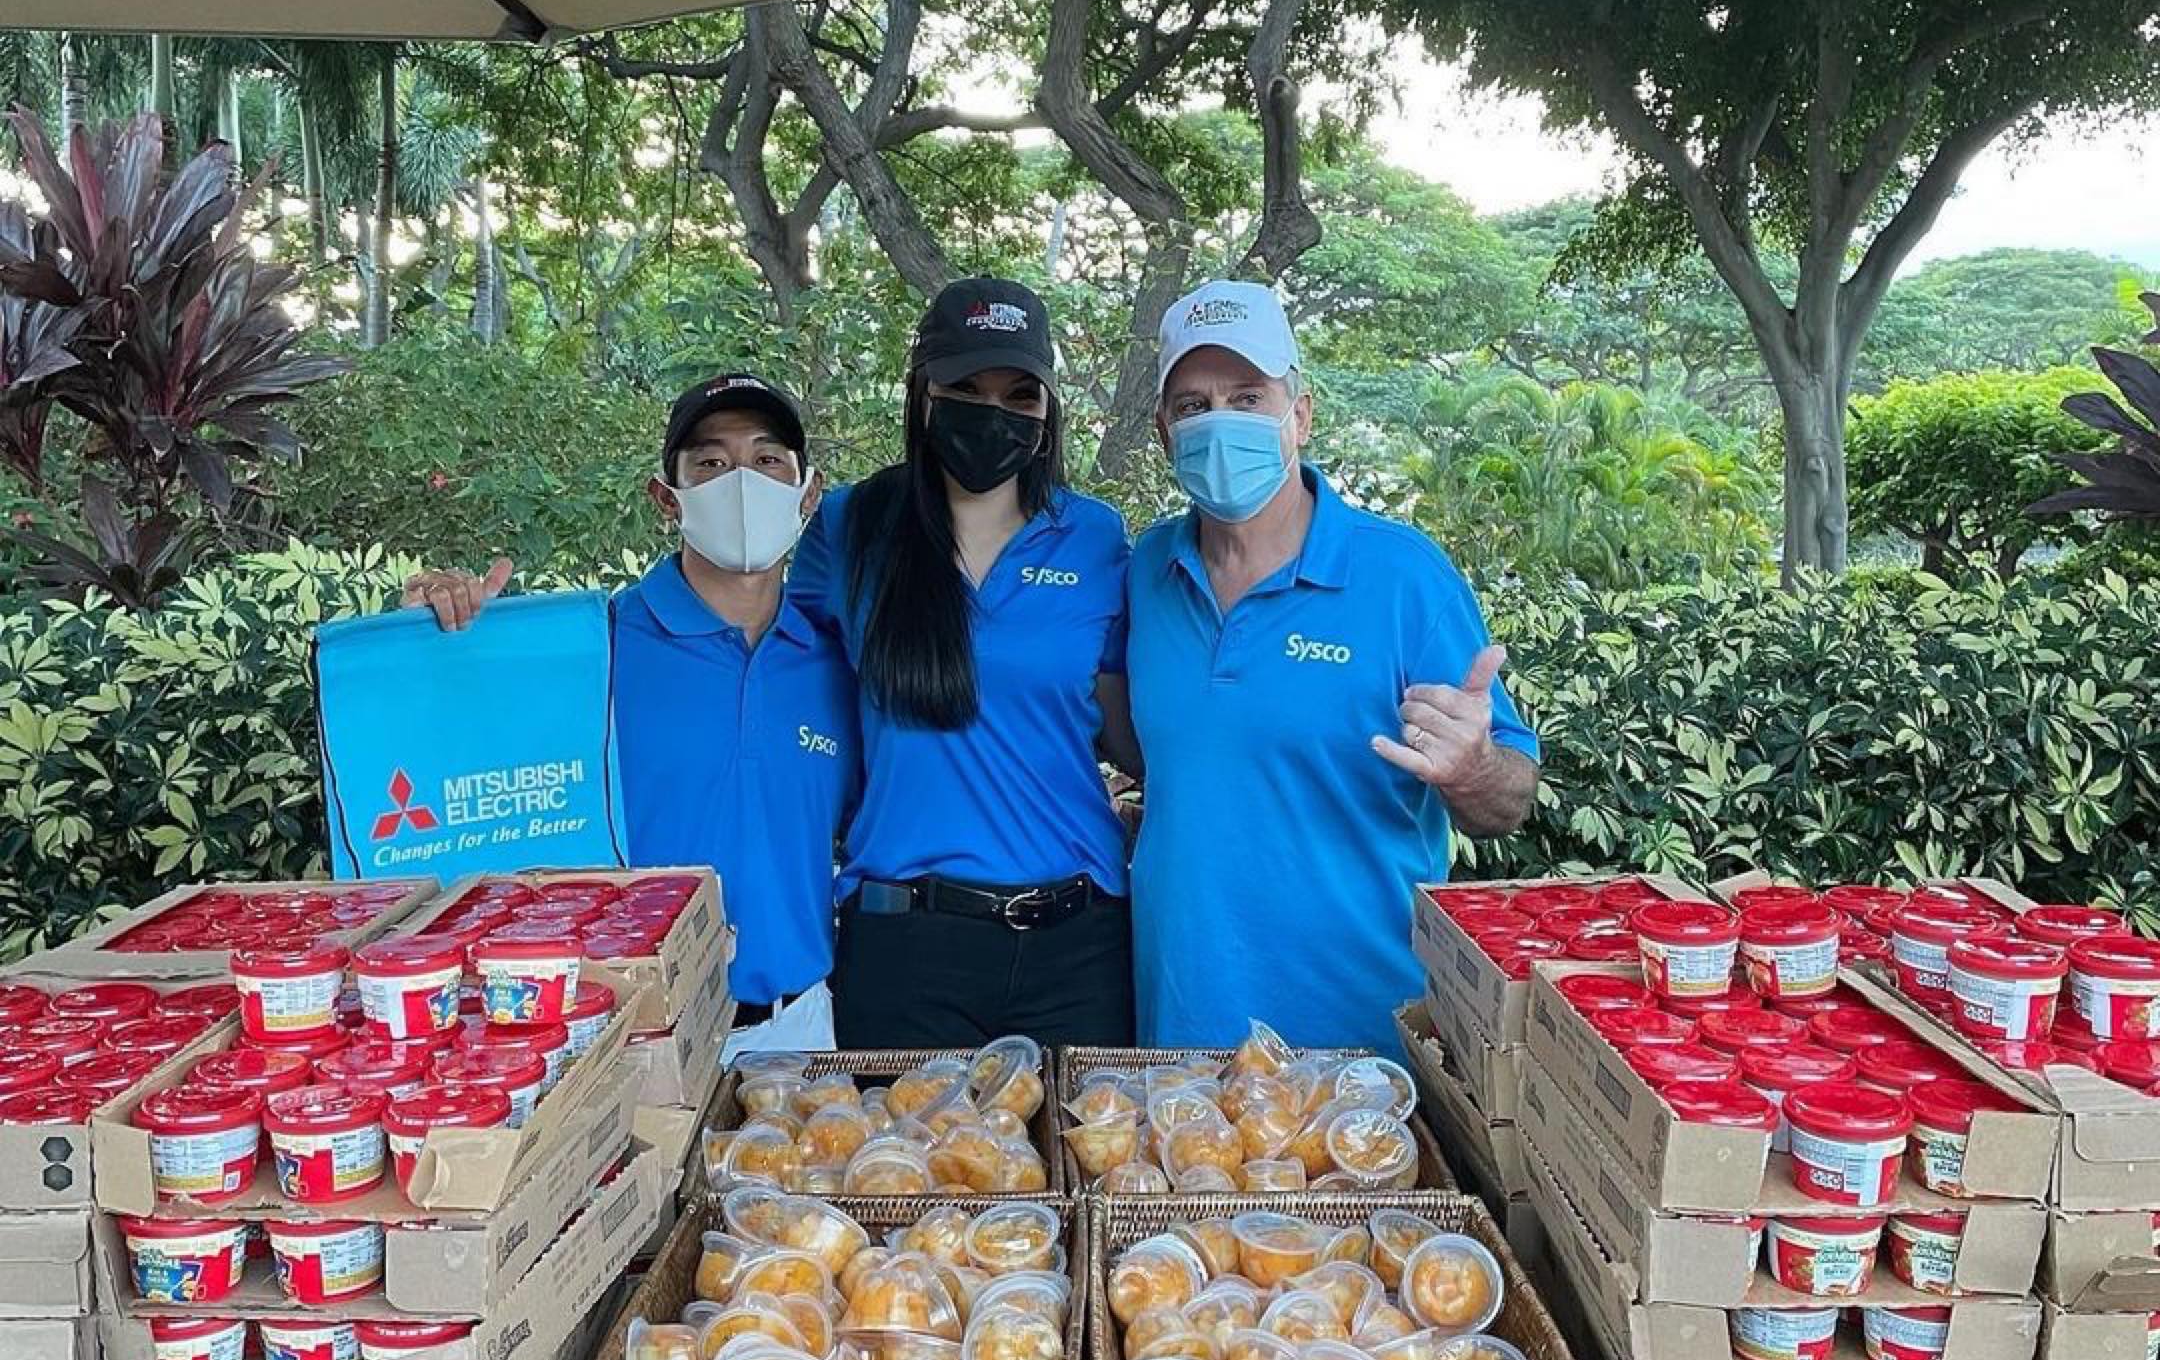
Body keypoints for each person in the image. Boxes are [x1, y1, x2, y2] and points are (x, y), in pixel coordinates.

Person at [1126, 280, 1541, 1054]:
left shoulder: (1404, 579)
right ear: (1163, 431)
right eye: (1193, 405)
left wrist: (1471, 766)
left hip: (1362, 1051)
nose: (1221, 422)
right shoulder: (1148, 571)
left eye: (1248, 397)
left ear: (1300, 415)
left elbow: (1508, 801)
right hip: (1180, 1040)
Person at [402, 371, 858, 1032]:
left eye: (767, 460)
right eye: (710, 462)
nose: (741, 483)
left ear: (807, 493)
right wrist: (435, 641)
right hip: (628, 1027)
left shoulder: (835, 660)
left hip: (797, 1028)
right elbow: (464, 758)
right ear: (666, 498)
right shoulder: (595, 651)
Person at [788, 276, 1139, 1050]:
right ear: (923, 394)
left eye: (1021, 393)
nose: (994, 411)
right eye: (967, 387)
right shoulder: (853, 524)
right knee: (900, 1173)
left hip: (1078, 944)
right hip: (903, 943)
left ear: (1049, 412)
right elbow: (757, 653)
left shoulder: (1096, 538)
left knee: (1094, 1170)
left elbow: (1134, 730)